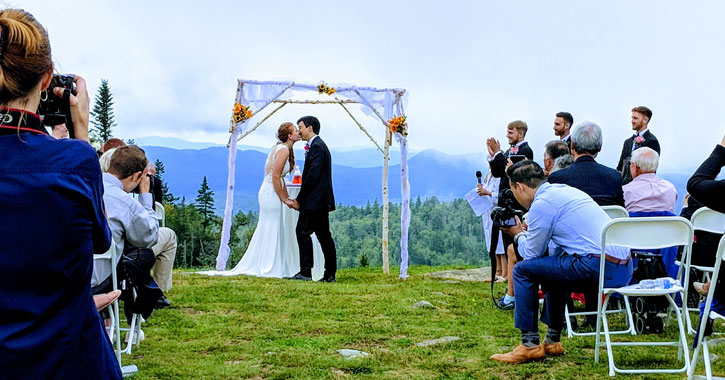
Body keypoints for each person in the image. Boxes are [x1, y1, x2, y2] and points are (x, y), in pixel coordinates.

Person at [0, 8, 121, 379]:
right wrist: (81, 132)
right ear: (46, 77)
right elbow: (99, 241)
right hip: (64, 355)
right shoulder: (75, 161)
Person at [490, 161, 632, 364]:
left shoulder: (542, 204)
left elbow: (530, 254)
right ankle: (552, 341)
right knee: (554, 268)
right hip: (622, 268)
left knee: (522, 270)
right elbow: (553, 253)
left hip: (597, 266)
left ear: (519, 186)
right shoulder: (565, 192)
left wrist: (518, 234)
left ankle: (529, 344)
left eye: (513, 191)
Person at [199, 122, 313, 278]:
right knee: (271, 226)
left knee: (272, 226)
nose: (298, 132)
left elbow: (280, 178)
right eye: (295, 130)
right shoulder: (283, 150)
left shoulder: (284, 149)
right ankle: (268, 265)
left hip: (272, 191)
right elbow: (274, 176)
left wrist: (286, 197)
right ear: (289, 135)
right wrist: (283, 198)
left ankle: (269, 262)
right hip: (270, 193)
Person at [93, 145, 165, 320]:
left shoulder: (82, 186)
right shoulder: (125, 203)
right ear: (136, 176)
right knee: (138, 259)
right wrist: (146, 197)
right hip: (97, 280)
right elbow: (148, 237)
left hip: (62, 273)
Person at [287, 116, 338, 283]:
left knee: (302, 231)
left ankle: (306, 272)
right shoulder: (318, 146)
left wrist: (299, 199)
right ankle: (329, 274)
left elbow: (311, 177)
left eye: (300, 127)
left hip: (314, 201)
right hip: (320, 201)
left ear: (310, 128)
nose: (299, 130)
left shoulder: (317, 147)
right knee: (324, 236)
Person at [549, 121, 625, 207]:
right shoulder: (614, 177)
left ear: (572, 145)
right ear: (600, 146)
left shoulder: (556, 178)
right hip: (604, 220)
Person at [623, 147, 677, 214]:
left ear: (635, 167)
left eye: (630, 163)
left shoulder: (625, 192)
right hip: (663, 224)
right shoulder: (670, 189)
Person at [616, 106, 660, 185]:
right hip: (624, 188)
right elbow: (620, 167)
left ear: (645, 120)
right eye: (632, 118)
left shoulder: (652, 141)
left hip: (642, 187)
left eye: (635, 118)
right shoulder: (628, 142)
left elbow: (651, 170)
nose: (632, 121)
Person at [477, 171, 506, 281]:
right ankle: (497, 272)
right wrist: (481, 190)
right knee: (492, 244)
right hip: (488, 212)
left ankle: (504, 273)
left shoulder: (501, 177)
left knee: (500, 245)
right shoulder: (488, 176)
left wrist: (487, 192)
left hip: (497, 211)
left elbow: (498, 195)